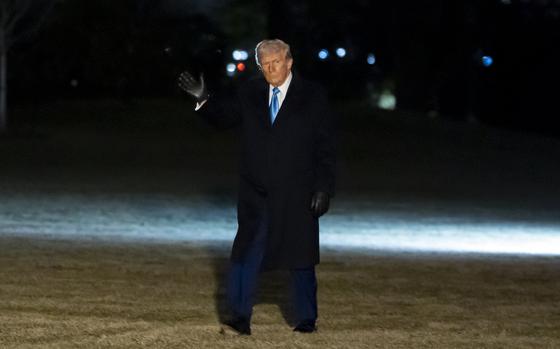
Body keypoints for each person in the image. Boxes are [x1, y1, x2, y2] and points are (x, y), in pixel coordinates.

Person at [178, 39, 336, 335]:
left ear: (289, 62)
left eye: (275, 62)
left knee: (300, 257)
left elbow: (325, 146)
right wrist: (204, 99)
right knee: (245, 254)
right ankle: (239, 316)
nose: (270, 68)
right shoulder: (250, 92)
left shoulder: (313, 96)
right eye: (264, 63)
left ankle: (306, 319)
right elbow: (224, 118)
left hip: (297, 192)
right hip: (256, 191)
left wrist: (323, 188)